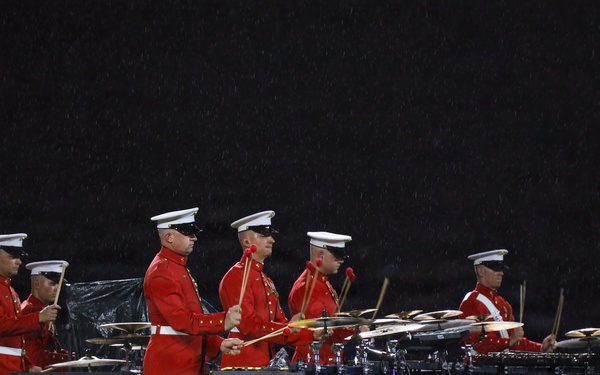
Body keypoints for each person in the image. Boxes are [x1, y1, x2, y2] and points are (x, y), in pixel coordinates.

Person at [143, 208, 243, 375]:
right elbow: (182, 321)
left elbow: (189, 322)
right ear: (169, 237)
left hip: (183, 361)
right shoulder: (162, 271)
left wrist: (217, 344)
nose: (194, 237)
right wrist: (222, 321)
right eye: (188, 232)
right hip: (170, 365)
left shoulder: (174, 267)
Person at [219, 210, 318, 368]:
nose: (271, 240)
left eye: (270, 235)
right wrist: (289, 328)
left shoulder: (266, 280)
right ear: (246, 242)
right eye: (264, 235)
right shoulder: (237, 276)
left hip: (266, 362)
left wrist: (312, 333)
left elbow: (282, 325)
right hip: (242, 363)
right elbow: (249, 326)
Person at [459, 249, 555, 354]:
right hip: (479, 367)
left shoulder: (503, 304)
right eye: (495, 268)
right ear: (480, 271)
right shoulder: (472, 302)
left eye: (501, 269)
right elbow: (477, 344)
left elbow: (513, 341)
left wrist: (540, 348)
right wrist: (509, 341)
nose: (501, 273)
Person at [288, 231, 355, 365]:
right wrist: (355, 330)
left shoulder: (324, 283)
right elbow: (323, 330)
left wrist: (355, 329)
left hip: (327, 362)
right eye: (337, 256)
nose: (341, 261)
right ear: (321, 255)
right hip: (315, 363)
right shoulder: (306, 287)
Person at [0, 233, 60, 374]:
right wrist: (37, 318)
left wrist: (28, 365)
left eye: (19, 256)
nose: (19, 261)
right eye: (13, 255)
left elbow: (16, 340)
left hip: (11, 367)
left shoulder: (10, 290)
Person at [21, 260, 71, 368]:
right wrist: (69, 361)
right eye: (53, 283)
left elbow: (53, 348)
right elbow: (34, 357)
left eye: (58, 283)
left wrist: (75, 358)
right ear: (36, 284)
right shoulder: (27, 312)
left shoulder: (46, 310)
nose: (57, 288)